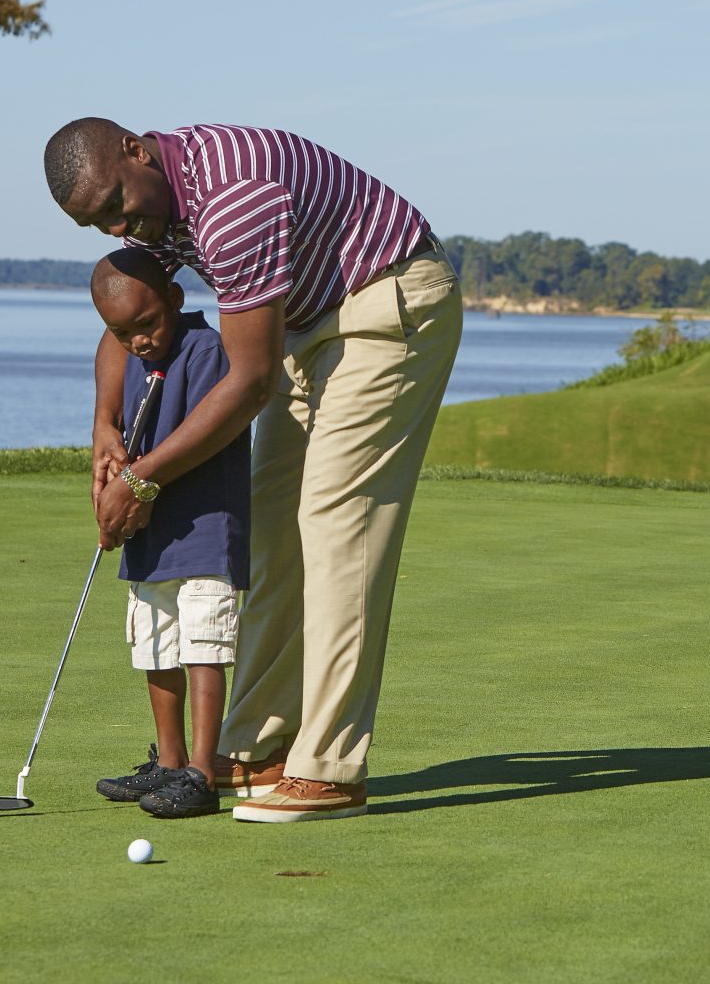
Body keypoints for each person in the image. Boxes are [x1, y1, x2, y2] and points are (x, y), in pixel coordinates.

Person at [44, 119, 461, 823]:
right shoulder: (151, 208)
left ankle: (331, 768)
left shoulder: (233, 199)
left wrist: (143, 479)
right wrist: (105, 429)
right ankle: (259, 747)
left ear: (136, 152)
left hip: (387, 305)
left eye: (118, 204)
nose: (120, 225)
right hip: (311, 323)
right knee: (269, 527)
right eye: (100, 222)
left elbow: (249, 380)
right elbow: (125, 320)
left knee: (336, 525)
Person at [86, 249, 250, 818]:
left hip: (204, 525)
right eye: (122, 332)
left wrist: (136, 488)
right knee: (155, 644)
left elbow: (200, 439)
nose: (140, 340)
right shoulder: (128, 354)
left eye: (147, 324)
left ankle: (204, 771)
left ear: (175, 300)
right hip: (150, 536)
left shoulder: (205, 350)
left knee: (204, 646)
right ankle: (171, 763)